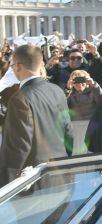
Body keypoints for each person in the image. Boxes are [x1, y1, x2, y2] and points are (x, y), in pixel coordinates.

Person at [0, 45, 73, 186]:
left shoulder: (19, 98)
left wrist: (5, 184)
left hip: (33, 182)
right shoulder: (57, 91)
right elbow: (68, 134)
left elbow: (18, 146)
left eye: (12, 65)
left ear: (18, 66)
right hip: (60, 175)